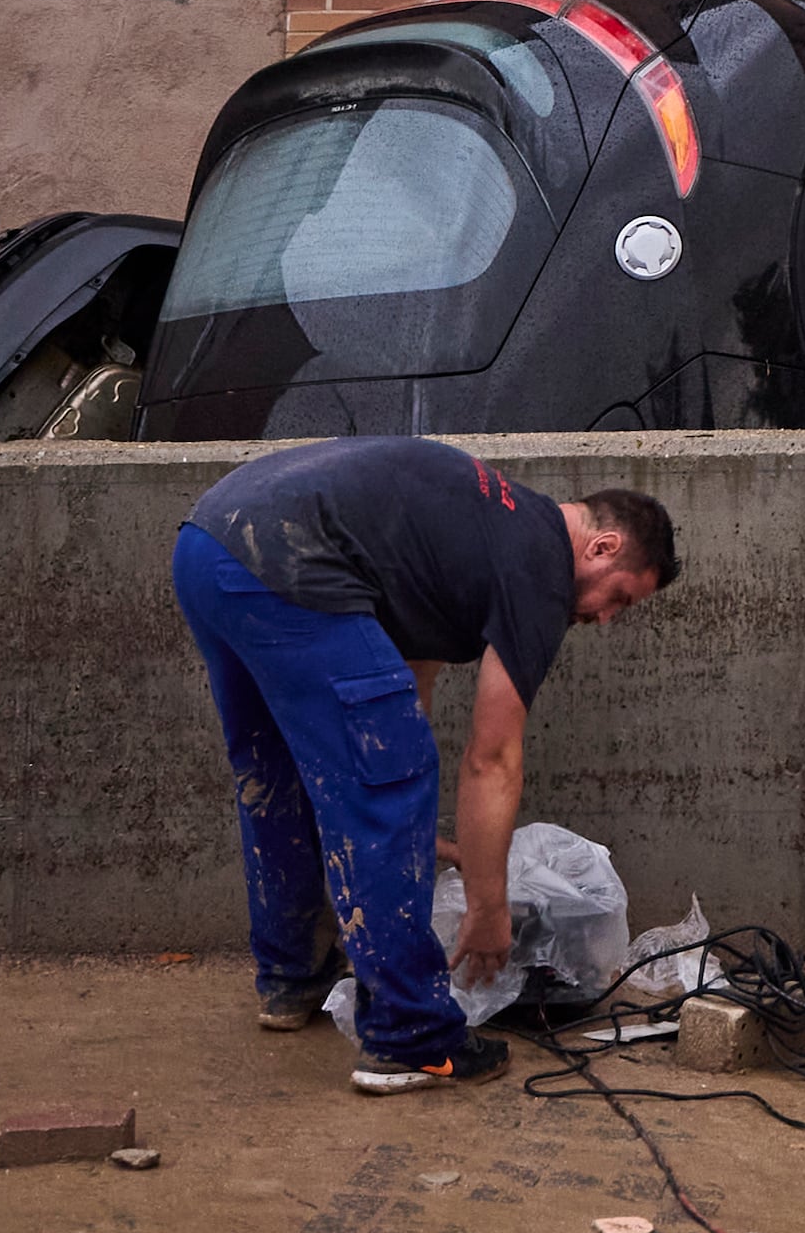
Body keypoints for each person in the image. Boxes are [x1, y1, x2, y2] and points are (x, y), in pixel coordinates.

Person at [169, 435, 678, 1093]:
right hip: (285, 557)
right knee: (392, 770)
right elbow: (491, 756)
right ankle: (409, 1036)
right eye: (620, 598)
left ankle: (291, 979)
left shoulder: (485, 530)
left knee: (285, 779)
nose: (606, 618)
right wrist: (488, 905)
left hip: (210, 544)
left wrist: (417, 831)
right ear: (602, 547)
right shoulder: (540, 567)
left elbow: (408, 683)